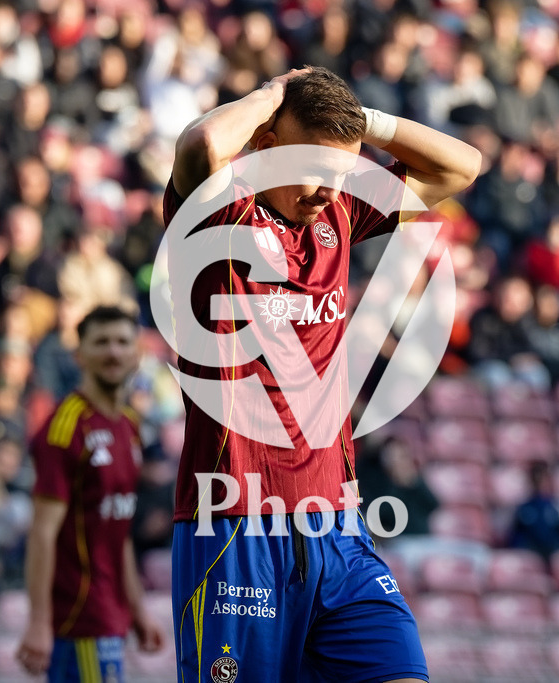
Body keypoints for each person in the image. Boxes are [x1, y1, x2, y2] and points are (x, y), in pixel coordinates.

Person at [164, 66, 480, 683]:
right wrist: (270, 97)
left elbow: (459, 167)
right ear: (266, 144)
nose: (327, 191)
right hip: (234, 521)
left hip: (336, 524)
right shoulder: (219, 215)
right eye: (315, 168)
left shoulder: (338, 216)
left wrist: (369, 122)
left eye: (343, 174)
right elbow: (200, 145)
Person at [16, 305, 165, 681]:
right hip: (79, 617)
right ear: (78, 355)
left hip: (112, 615)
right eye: (100, 342)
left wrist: (138, 611)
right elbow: (42, 532)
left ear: (137, 353)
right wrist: (38, 621)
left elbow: (119, 532)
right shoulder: (65, 428)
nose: (112, 352)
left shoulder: (130, 426)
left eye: (121, 342)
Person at [509, 461, 559, 561]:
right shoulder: (525, 507)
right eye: (539, 479)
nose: (544, 484)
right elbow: (517, 537)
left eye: (546, 479)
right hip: (531, 553)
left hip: (555, 552)